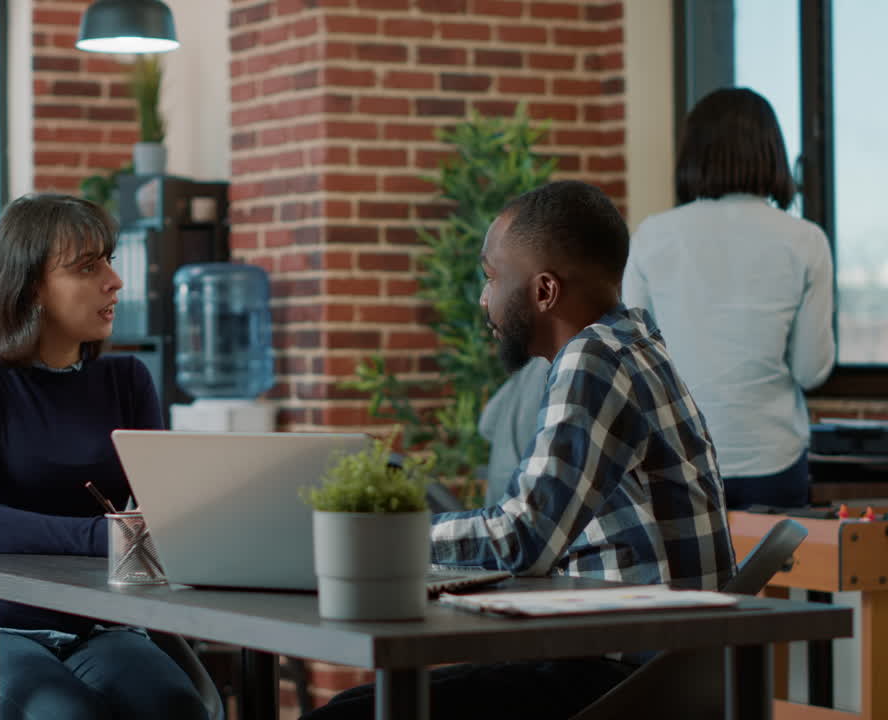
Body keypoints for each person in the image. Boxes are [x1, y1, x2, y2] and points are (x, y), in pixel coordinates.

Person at [307, 181, 736, 720]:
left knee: (346, 715)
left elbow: (523, 537)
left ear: (543, 292)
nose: (483, 298)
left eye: (491, 277)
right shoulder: (636, 340)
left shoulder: (592, 359)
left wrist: (374, 541)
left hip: (624, 674)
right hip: (662, 664)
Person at [0, 193, 211, 720]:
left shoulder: (128, 381)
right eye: (87, 267)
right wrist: (111, 536)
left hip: (100, 621)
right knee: (64, 713)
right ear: (31, 286)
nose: (114, 282)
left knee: (178, 709)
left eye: (109, 261)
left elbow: (163, 519)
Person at [623, 87, 835, 509]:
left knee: (684, 579)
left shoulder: (652, 236)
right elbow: (811, 370)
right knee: (770, 576)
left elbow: (634, 357)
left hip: (676, 459)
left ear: (693, 154)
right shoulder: (806, 240)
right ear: (772, 152)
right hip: (772, 460)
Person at [478, 357, 550, 505]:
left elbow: (486, 425)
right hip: (524, 506)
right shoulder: (555, 364)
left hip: (498, 502)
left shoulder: (531, 365)